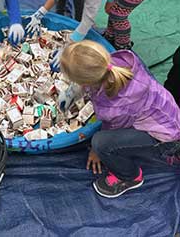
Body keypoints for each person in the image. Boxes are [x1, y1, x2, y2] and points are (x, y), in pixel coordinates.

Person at [58, 40, 180, 198]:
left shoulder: (114, 106)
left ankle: (130, 177)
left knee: (101, 142)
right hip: (167, 112)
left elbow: (113, 129)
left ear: (87, 82)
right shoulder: (116, 61)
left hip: (166, 136)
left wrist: (96, 151)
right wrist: (72, 92)